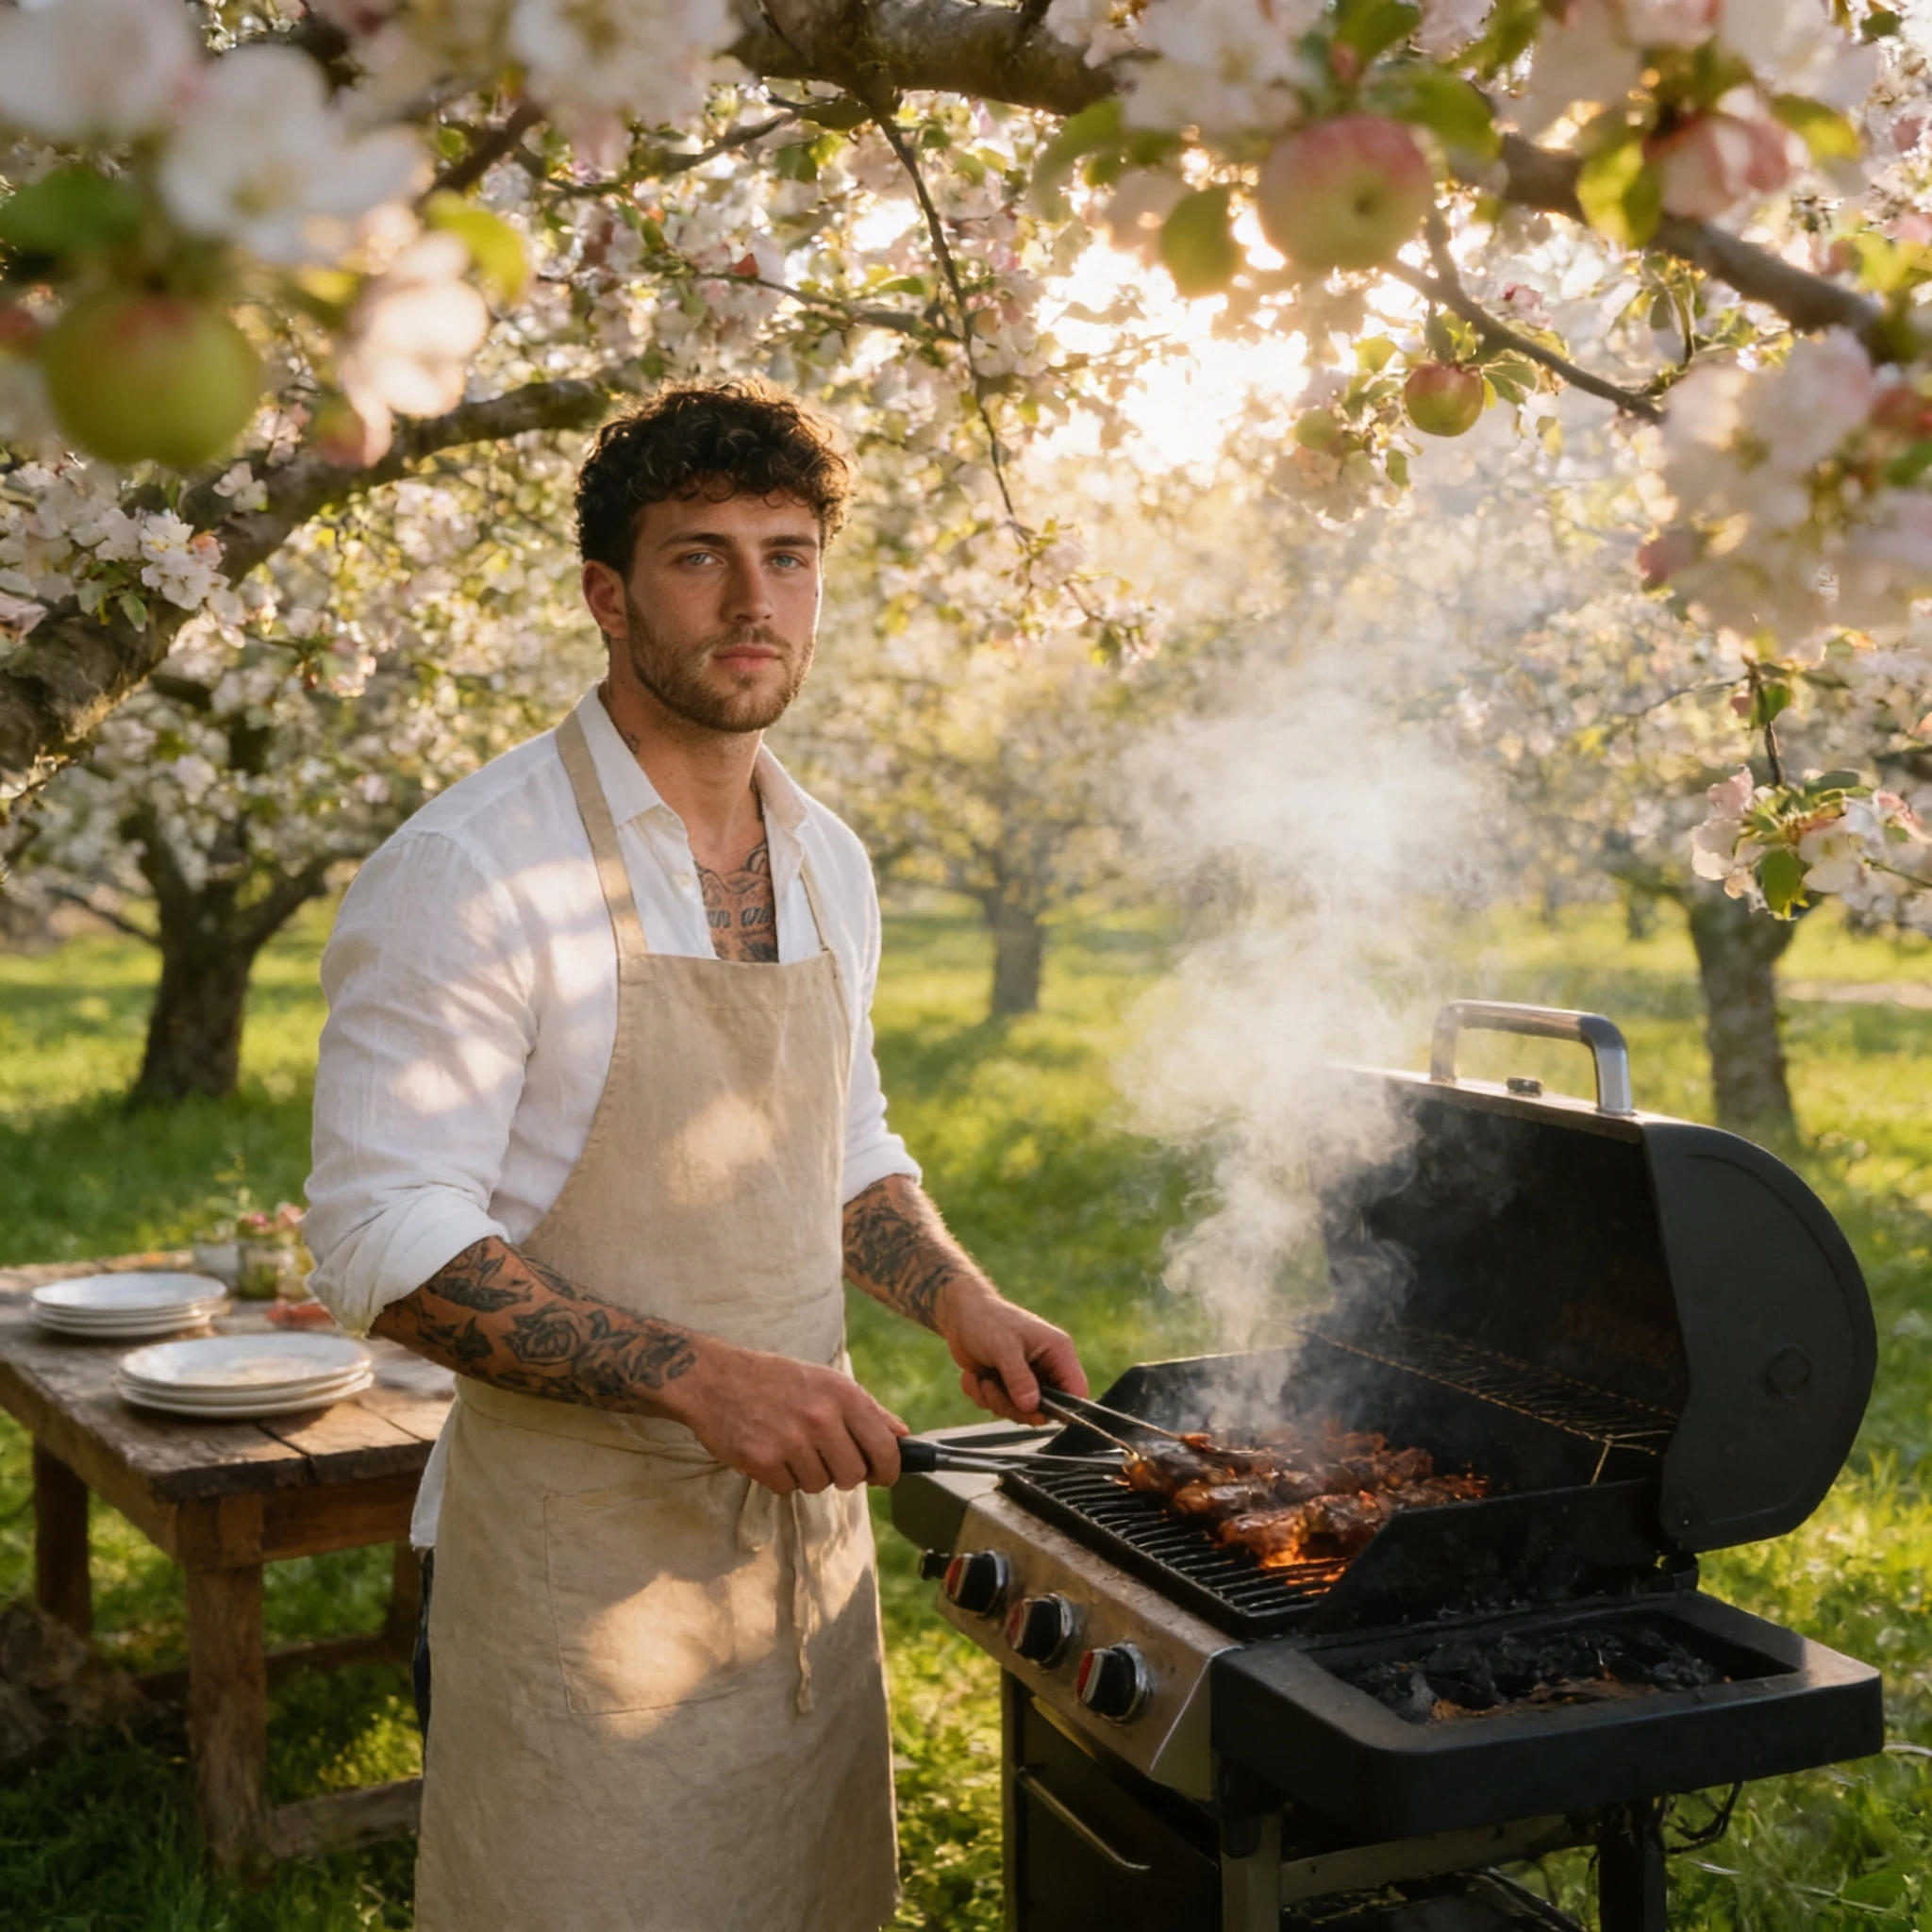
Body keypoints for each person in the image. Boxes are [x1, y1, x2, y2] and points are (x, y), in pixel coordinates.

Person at [303, 379, 1088, 1931]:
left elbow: (843, 1146)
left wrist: (953, 1301)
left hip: (803, 1545)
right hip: (573, 1572)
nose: (754, 601)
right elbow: (381, 1239)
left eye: (788, 556)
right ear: (607, 595)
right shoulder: (471, 870)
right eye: (700, 556)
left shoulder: (826, 857)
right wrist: (705, 1378)